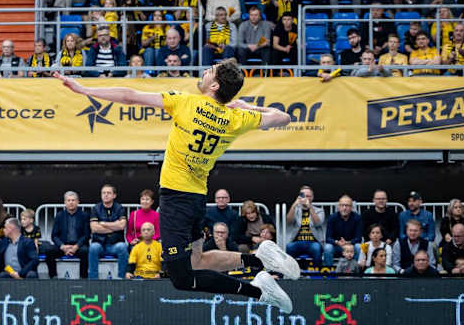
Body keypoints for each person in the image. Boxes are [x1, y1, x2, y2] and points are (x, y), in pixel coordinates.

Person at [55, 59, 297, 312]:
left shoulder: (186, 102)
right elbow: (283, 117)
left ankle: (259, 292)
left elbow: (129, 96)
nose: (205, 71)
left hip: (175, 200)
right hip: (197, 199)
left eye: (210, 71)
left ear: (214, 85)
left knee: (182, 278)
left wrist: (84, 89)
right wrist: (249, 106)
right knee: (198, 261)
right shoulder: (235, 117)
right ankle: (258, 260)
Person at [43, 191, 90, 279]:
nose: (71, 202)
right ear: (65, 202)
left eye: (73, 200)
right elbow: (54, 235)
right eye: (68, 200)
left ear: (78, 202)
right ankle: (53, 277)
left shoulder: (84, 215)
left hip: (79, 245)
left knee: (86, 251)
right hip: (63, 245)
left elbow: (86, 235)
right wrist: (62, 246)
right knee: (49, 251)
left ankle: (83, 277)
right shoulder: (59, 215)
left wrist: (76, 246)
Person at [89, 184, 128, 279]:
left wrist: (103, 223)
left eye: (108, 193)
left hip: (115, 244)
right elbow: (94, 228)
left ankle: (122, 278)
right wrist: (114, 226)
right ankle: (93, 279)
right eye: (103, 193)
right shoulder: (96, 208)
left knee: (123, 247)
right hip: (99, 244)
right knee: (93, 247)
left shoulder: (120, 208)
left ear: (114, 195)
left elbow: (122, 226)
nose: (106, 195)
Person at [285, 185, 326, 267]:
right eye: (303, 196)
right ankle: (291, 272)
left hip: (313, 242)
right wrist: (294, 205)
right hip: (297, 242)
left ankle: (316, 273)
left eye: (308, 196)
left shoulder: (319, 210)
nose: (306, 198)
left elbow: (317, 223)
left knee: (316, 248)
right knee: (289, 247)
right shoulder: (296, 210)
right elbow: (288, 222)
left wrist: (310, 207)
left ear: (312, 198)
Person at [324, 195, 363, 267]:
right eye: (342, 205)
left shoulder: (357, 218)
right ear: (338, 207)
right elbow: (328, 238)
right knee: (328, 247)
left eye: (347, 205)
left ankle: (355, 270)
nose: (344, 208)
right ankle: (329, 271)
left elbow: (358, 238)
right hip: (337, 246)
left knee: (358, 247)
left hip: (351, 246)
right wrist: (337, 242)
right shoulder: (332, 218)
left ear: (351, 207)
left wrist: (348, 243)